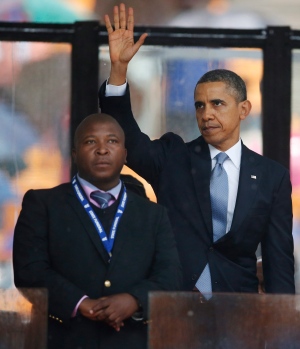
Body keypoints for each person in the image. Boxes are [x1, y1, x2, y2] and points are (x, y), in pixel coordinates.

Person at [98, 4, 295, 295]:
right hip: (173, 306)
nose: (206, 114)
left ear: (244, 109)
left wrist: (280, 328)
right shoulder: (173, 157)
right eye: (199, 105)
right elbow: (126, 138)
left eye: (217, 104)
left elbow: (279, 262)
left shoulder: (270, 176)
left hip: (237, 313)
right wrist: (118, 70)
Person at [13, 112, 182, 349]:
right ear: (74, 154)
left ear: (124, 154)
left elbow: (170, 275)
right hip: (63, 339)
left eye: (112, 141)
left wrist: (134, 300)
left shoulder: (153, 214)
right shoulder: (42, 204)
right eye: (90, 141)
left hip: (132, 341)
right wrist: (81, 303)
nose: (102, 149)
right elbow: (29, 270)